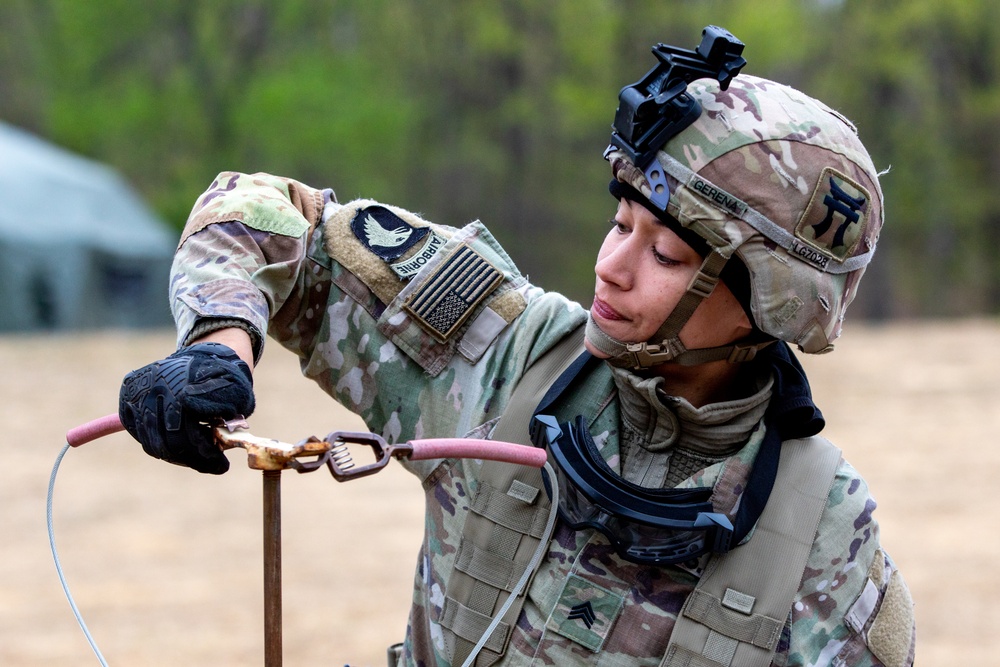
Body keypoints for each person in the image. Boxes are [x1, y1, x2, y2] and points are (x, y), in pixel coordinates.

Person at [119, 26, 915, 667]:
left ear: (769, 304)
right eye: (619, 221)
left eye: (666, 256)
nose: (611, 266)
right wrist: (220, 341)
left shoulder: (822, 540)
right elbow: (259, 212)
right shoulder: (502, 348)